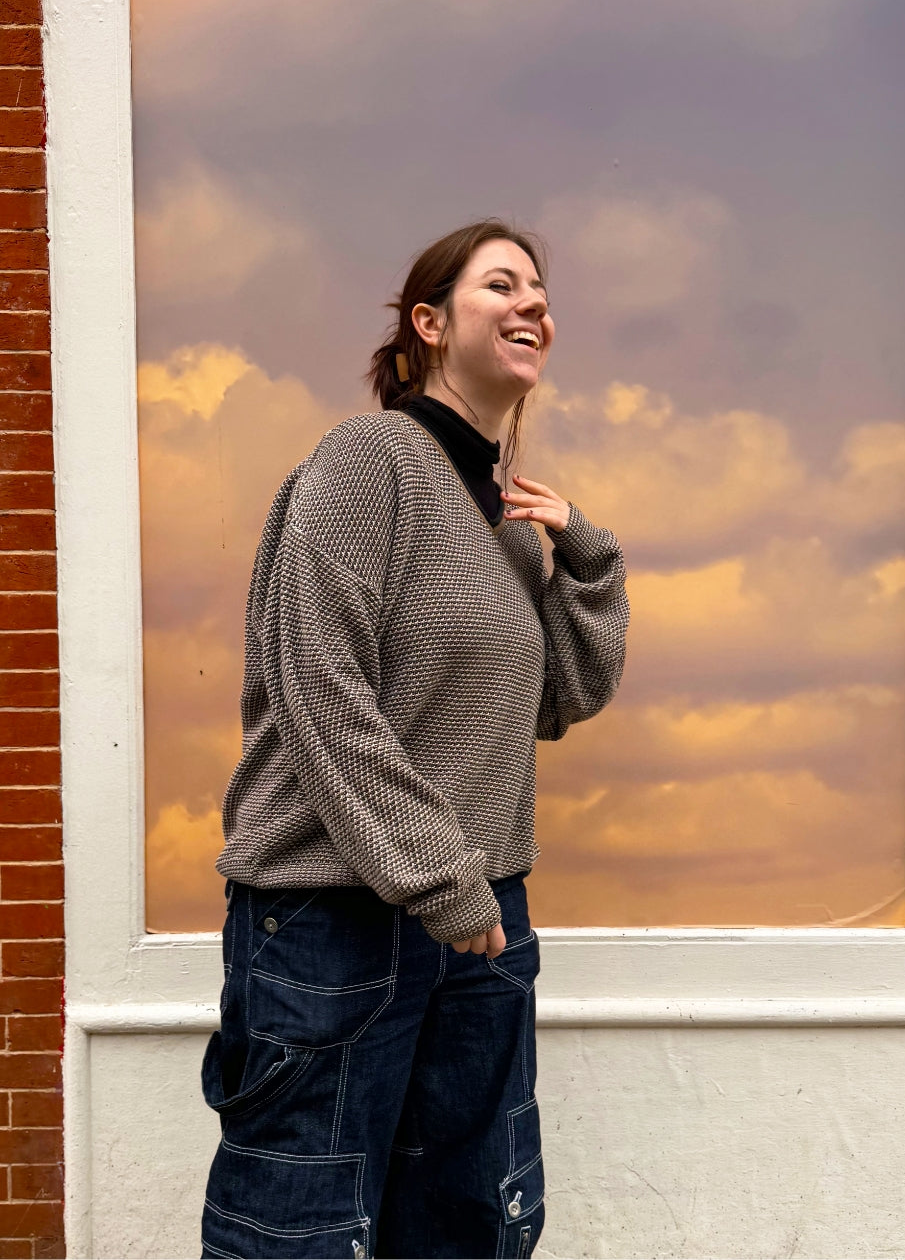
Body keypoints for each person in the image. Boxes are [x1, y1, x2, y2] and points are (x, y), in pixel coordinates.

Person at [198, 218, 631, 1259]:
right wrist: (441, 876)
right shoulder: (367, 460)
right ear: (430, 325)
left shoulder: (503, 521)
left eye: (539, 289)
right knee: (301, 1232)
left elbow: (560, 697)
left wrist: (584, 554)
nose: (533, 302)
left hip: (479, 925)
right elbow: (320, 688)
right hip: (334, 919)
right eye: (501, 285)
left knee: (465, 1225)